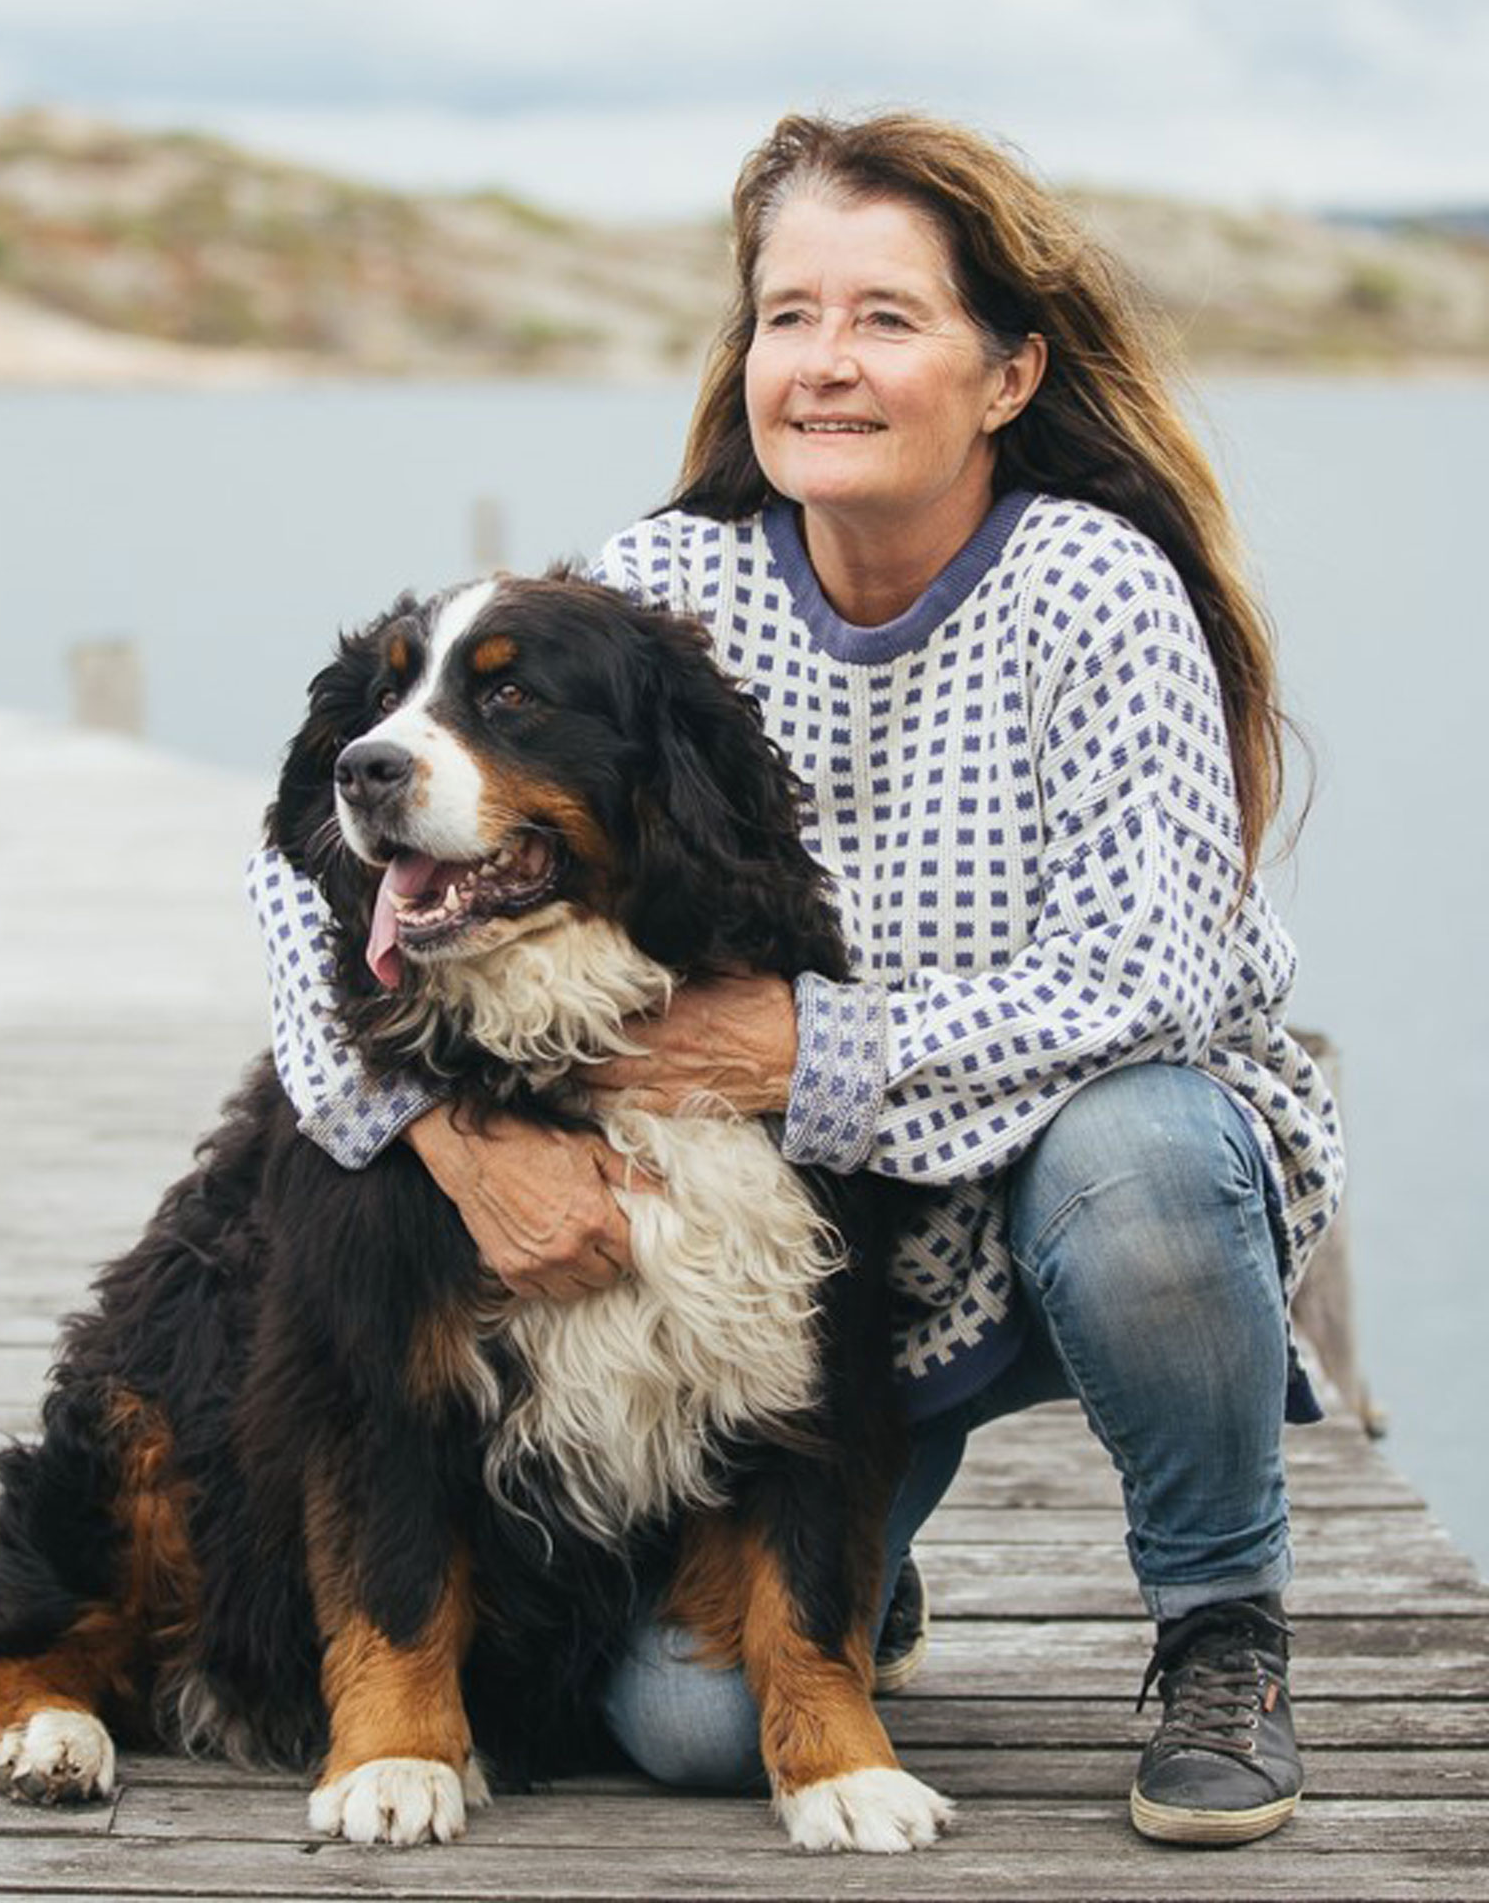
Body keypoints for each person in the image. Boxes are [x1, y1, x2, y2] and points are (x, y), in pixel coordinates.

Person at [244, 109, 1344, 1846]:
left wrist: (804, 1050)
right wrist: (443, 1140)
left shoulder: (1096, 589)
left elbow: (1149, 974)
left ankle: (1220, 1629)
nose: (823, 364)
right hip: (837, 1254)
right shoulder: (665, 581)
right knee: (686, 1727)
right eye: (788, 315)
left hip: (1081, 1182)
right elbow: (291, 863)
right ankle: (868, 1573)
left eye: (886, 318)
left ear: (1007, 374)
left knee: (1136, 1152)